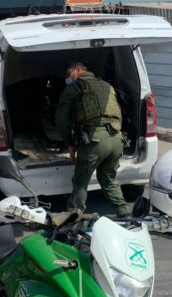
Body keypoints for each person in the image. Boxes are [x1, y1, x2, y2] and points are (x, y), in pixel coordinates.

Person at [55, 62, 130, 217]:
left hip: (95, 141)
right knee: (108, 179)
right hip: (117, 139)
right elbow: (118, 113)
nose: (68, 78)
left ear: (77, 70)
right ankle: (124, 211)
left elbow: (62, 120)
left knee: (81, 181)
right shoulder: (107, 86)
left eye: (69, 74)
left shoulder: (74, 88)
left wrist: (70, 144)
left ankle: (74, 215)